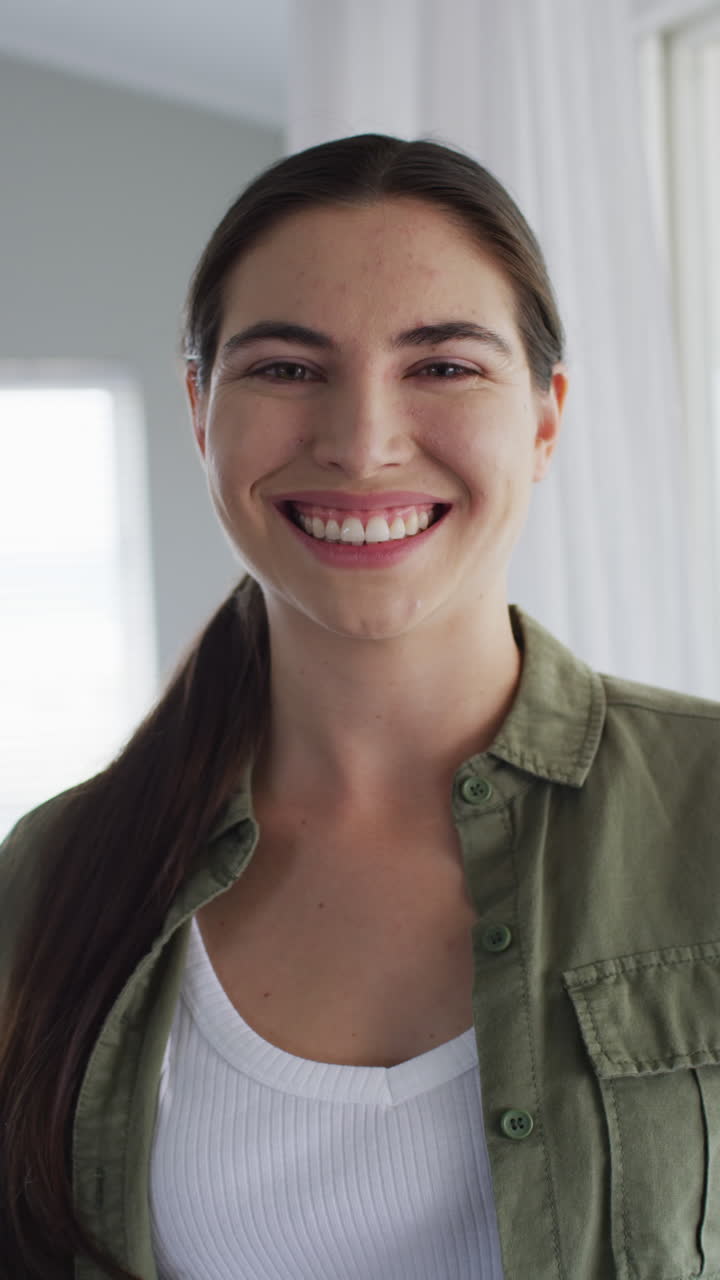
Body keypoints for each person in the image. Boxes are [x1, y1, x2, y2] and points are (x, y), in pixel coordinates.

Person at [1, 132, 719, 1280]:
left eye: (441, 366)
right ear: (201, 411)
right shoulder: (51, 875)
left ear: (544, 419)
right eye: (287, 368)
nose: (363, 443)